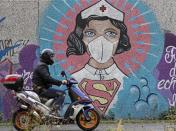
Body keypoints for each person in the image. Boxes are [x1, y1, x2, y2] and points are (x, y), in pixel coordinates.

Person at [66, 0, 131, 114]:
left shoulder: (125, 80)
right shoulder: (75, 79)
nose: (101, 41)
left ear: (120, 39)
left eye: (111, 33)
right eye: (90, 33)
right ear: (81, 38)